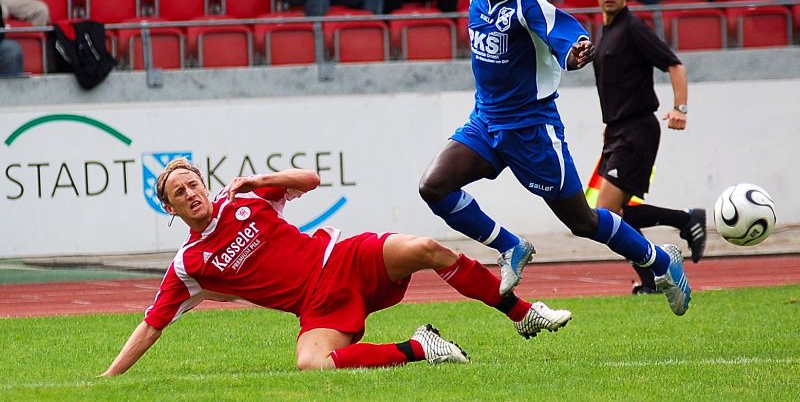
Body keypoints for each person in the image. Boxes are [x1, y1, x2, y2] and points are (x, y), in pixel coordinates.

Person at [406, 0, 692, 318]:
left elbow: (568, 36)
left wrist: (576, 54)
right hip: (485, 123)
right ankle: (511, 246)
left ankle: (659, 260)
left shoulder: (530, 5)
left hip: (532, 132)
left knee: (582, 221)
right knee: (433, 186)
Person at [102, 158, 572, 376]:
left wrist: (260, 178)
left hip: (343, 258)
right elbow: (151, 324)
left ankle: (523, 314)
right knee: (311, 364)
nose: (191, 193)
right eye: (180, 193)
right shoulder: (189, 264)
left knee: (427, 247)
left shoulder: (243, 198)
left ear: (204, 184)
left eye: (193, 184)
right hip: (317, 305)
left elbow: (310, 179)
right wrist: (109, 378)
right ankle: (420, 348)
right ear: (170, 209)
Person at [591, 0, 706, 294]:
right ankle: (677, 234)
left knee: (605, 214)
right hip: (618, 130)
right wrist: (609, 123)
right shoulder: (605, 30)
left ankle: (681, 227)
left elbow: (675, 65)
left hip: (637, 130)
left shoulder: (633, 28)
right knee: (615, 214)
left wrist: (680, 109)